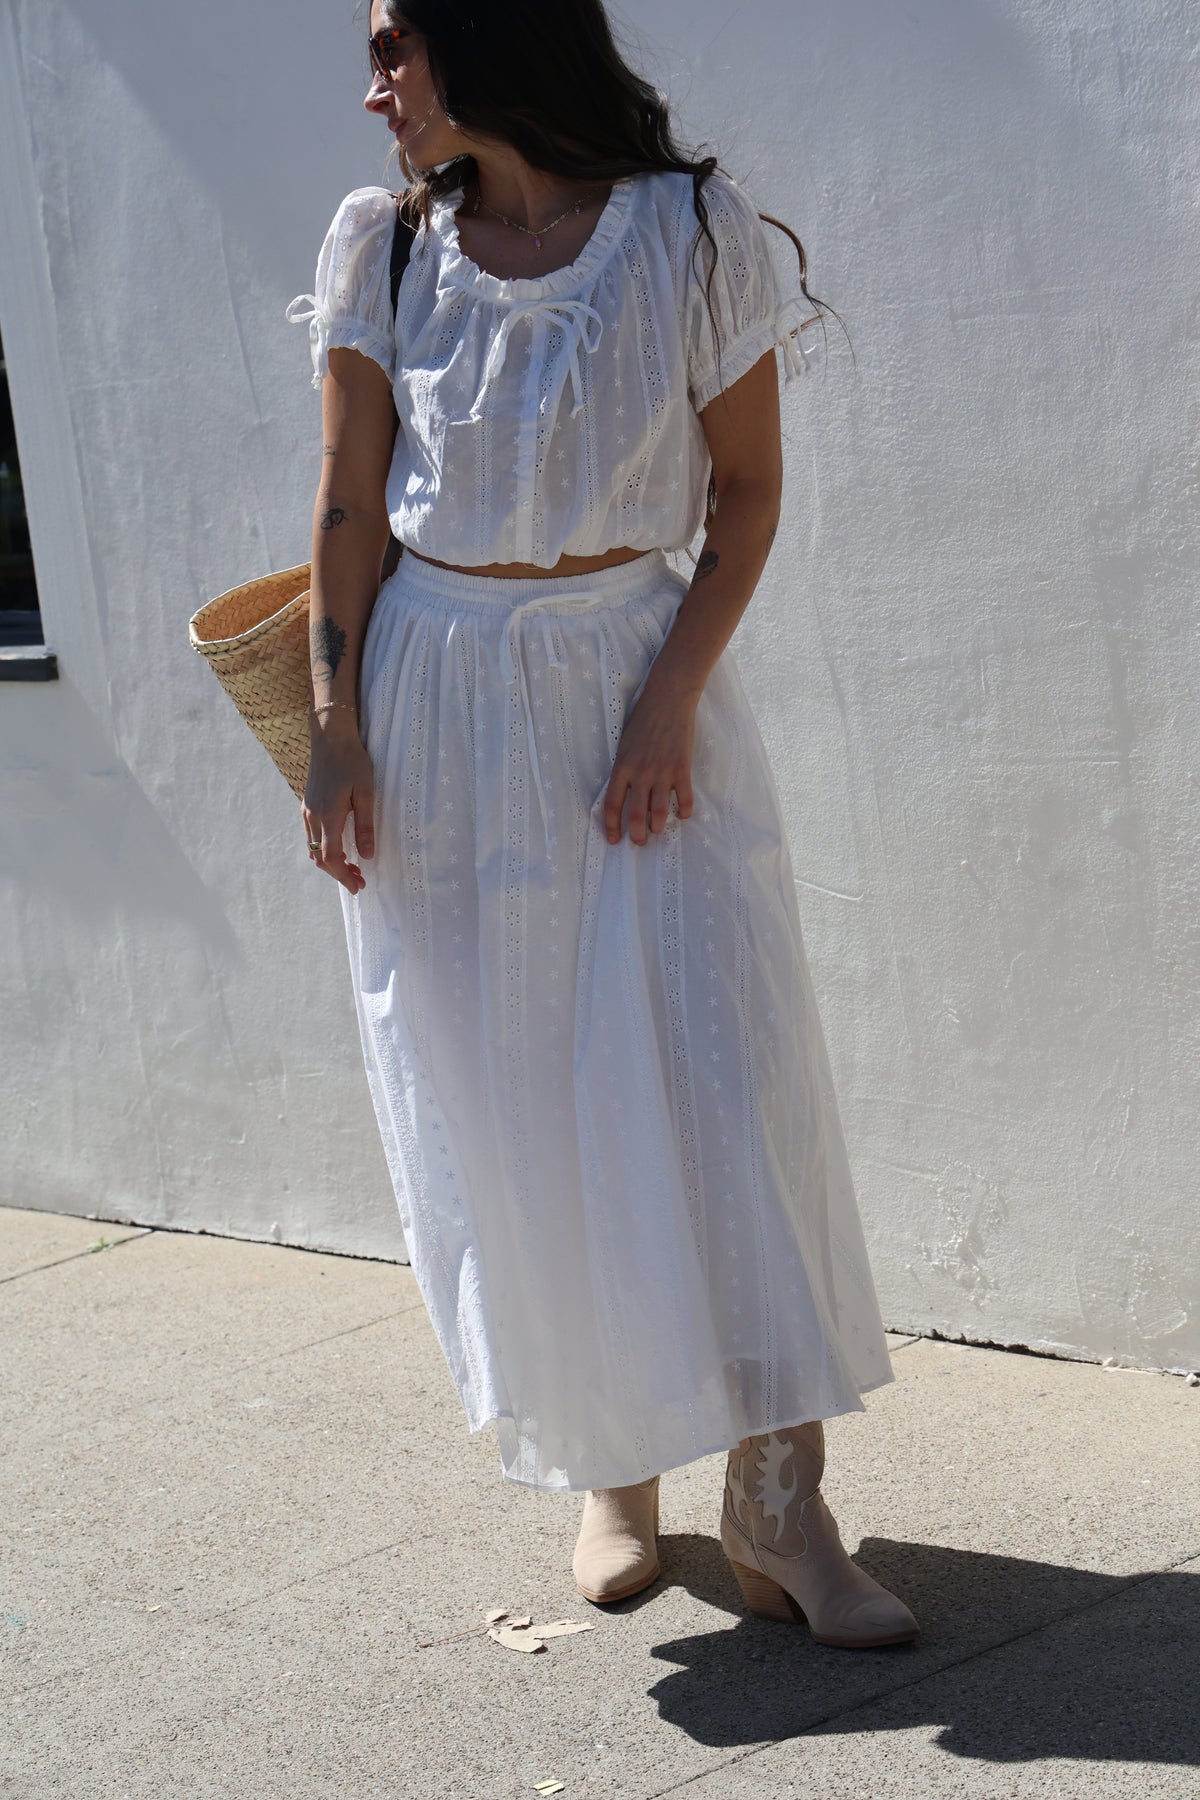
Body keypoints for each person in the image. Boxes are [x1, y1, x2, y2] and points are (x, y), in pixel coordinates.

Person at [286, 0, 918, 1649]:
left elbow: (750, 492)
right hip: (438, 710)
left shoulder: (687, 232)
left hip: (635, 689)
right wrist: (338, 730)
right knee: (520, 1098)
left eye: (393, 48)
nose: (372, 91)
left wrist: (668, 698)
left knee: (728, 1075)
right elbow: (350, 501)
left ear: (489, 37)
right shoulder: (386, 246)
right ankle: (610, 1468)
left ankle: (784, 1510)